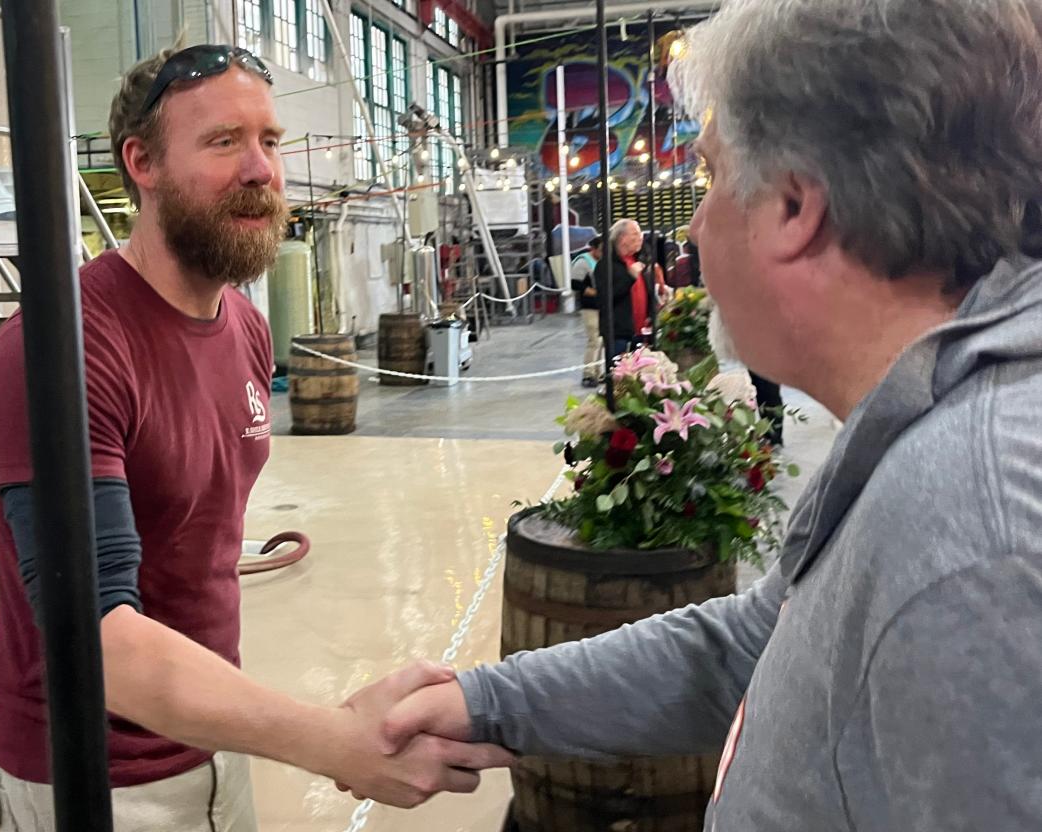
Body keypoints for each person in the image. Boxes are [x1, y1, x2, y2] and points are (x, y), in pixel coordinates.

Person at [348, 1, 1042, 829]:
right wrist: (485, 702)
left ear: (793, 207)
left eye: (711, 176)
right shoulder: (921, 432)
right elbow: (752, 645)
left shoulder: (973, 539)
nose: (700, 224)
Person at [0, 44, 510, 831]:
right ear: (142, 164)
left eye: (271, 140)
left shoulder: (247, 332)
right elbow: (99, 642)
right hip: (92, 779)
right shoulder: (66, 347)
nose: (261, 169)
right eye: (224, 141)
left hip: (212, 744)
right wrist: (335, 742)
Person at [604, 218, 662, 355]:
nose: (640, 237)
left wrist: (652, 310)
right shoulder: (608, 265)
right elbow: (607, 297)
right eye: (635, 234)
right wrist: (630, 277)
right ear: (623, 238)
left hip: (641, 331)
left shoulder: (639, 260)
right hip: (620, 334)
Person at [571, 235, 604, 386]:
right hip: (589, 307)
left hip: (601, 305)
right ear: (593, 249)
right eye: (601, 250)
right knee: (594, 340)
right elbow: (575, 284)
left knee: (601, 341)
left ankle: (599, 371)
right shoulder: (583, 262)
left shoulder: (601, 261)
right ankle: (588, 374)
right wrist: (591, 291)